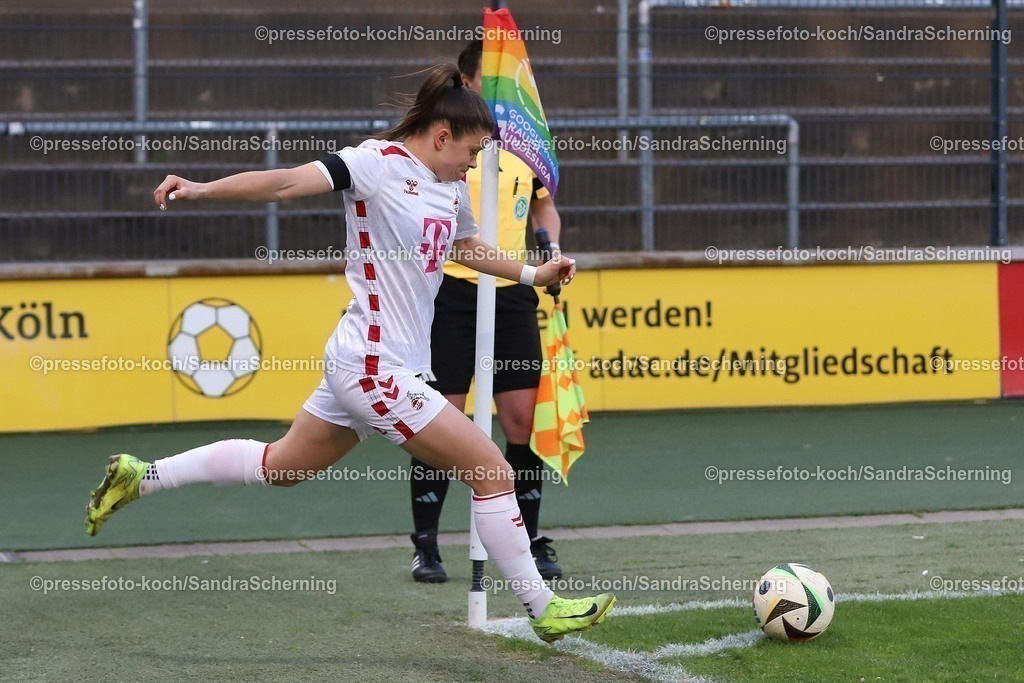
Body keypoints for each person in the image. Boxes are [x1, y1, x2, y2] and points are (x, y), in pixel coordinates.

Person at [83, 64, 614, 643]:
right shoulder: (374, 164)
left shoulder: (448, 184)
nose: (473, 163)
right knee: (491, 471)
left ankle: (143, 476)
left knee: (278, 468)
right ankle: (542, 607)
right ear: (441, 136)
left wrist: (534, 271)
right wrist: (201, 188)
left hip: (371, 363)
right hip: (372, 365)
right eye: (470, 150)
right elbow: (285, 183)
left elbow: (464, 246)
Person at [408, 41, 565, 584]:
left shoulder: (525, 141)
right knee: (442, 420)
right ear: (471, 81)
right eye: (502, 77)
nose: (515, 89)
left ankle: (531, 538)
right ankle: (425, 543)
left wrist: (548, 250)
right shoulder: (446, 139)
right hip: (451, 295)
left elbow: (544, 204)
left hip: (513, 293)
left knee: (521, 420)